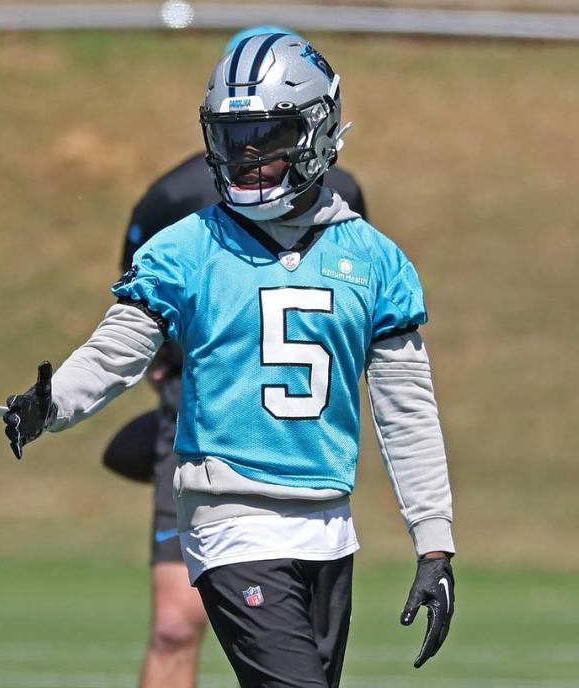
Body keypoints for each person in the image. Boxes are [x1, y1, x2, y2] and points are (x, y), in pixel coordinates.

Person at [4, 32, 455, 688]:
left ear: (319, 130)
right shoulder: (185, 249)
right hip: (232, 521)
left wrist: (434, 542)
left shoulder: (377, 260)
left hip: (330, 528)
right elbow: (116, 352)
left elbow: (406, 408)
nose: (247, 156)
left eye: (268, 135)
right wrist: (53, 402)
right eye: (233, 137)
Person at [103, 26, 370, 688]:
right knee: (174, 623)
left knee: (301, 650)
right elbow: (137, 318)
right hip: (195, 428)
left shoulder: (345, 194)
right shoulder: (173, 202)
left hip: (294, 445)